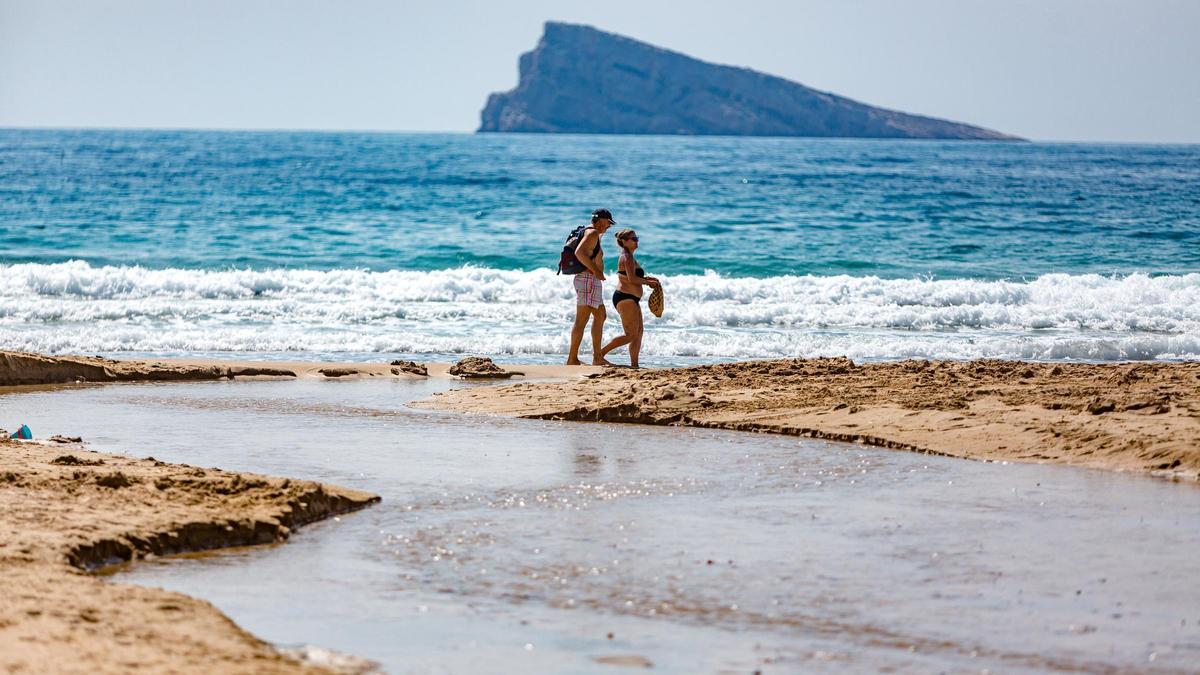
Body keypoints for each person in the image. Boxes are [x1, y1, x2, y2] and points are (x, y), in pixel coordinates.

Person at [599, 228, 660, 369]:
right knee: (630, 334)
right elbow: (632, 279)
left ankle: (634, 365)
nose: (637, 241)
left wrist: (646, 279)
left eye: (637, 238)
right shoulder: (626, 256)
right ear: (625, 242)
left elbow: (630, 276)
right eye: (634, 239)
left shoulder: (629, 256)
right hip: (625, 297)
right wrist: (647, 282)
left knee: (638, 333)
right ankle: (600, 355)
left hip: (631, 298)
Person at [566, 208, 616, 366]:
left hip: (588, 280)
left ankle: (594, 357)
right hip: (588, 279)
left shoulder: (590, 232)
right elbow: (580, 253)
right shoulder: (592, 233)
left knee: (600, 316)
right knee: (582, 320)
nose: (608, 227)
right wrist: (596, 271)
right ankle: (576, 359)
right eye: (608, 223)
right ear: (601, 220)